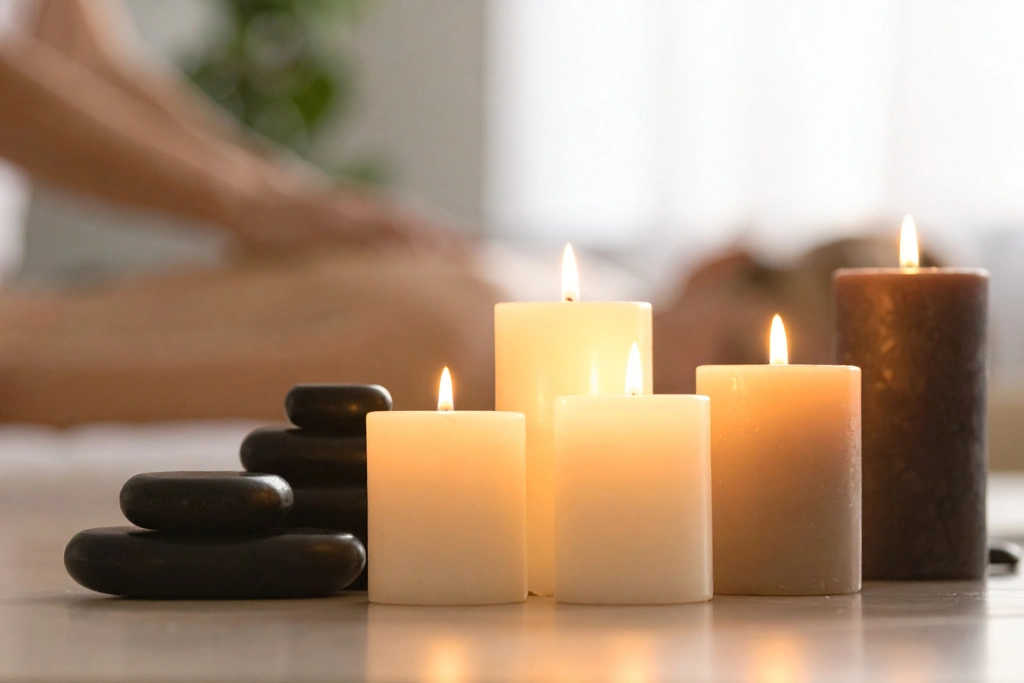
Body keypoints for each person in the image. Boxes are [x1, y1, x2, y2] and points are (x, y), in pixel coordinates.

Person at [0, 1, 929, 426]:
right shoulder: (461, 340)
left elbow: (67, 38)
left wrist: (278, 196)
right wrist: (254, 199)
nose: (741, 412)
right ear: (719, 264)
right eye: (739, 356)